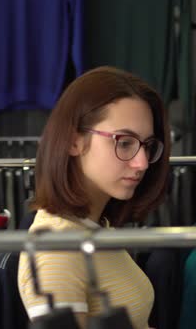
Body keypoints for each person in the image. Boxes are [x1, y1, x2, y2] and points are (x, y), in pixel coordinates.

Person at [17, 66, 171, 329]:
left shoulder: (95, 227)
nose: (143, 163)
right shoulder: (57, 249)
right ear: (73, 141)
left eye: (146, 145)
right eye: (124, 142)